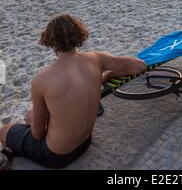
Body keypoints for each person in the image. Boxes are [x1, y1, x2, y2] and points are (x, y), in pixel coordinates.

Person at [0, 14, 146, 169]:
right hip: (84, 143)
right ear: (79, 34)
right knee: (31, 114)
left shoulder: (41, 79)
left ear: (50, 41)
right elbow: (139, 65)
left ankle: (8, 155)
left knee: (5, 130)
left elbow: (37, 135)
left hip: (56, 156)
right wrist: (107, 75)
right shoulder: (96, 59)